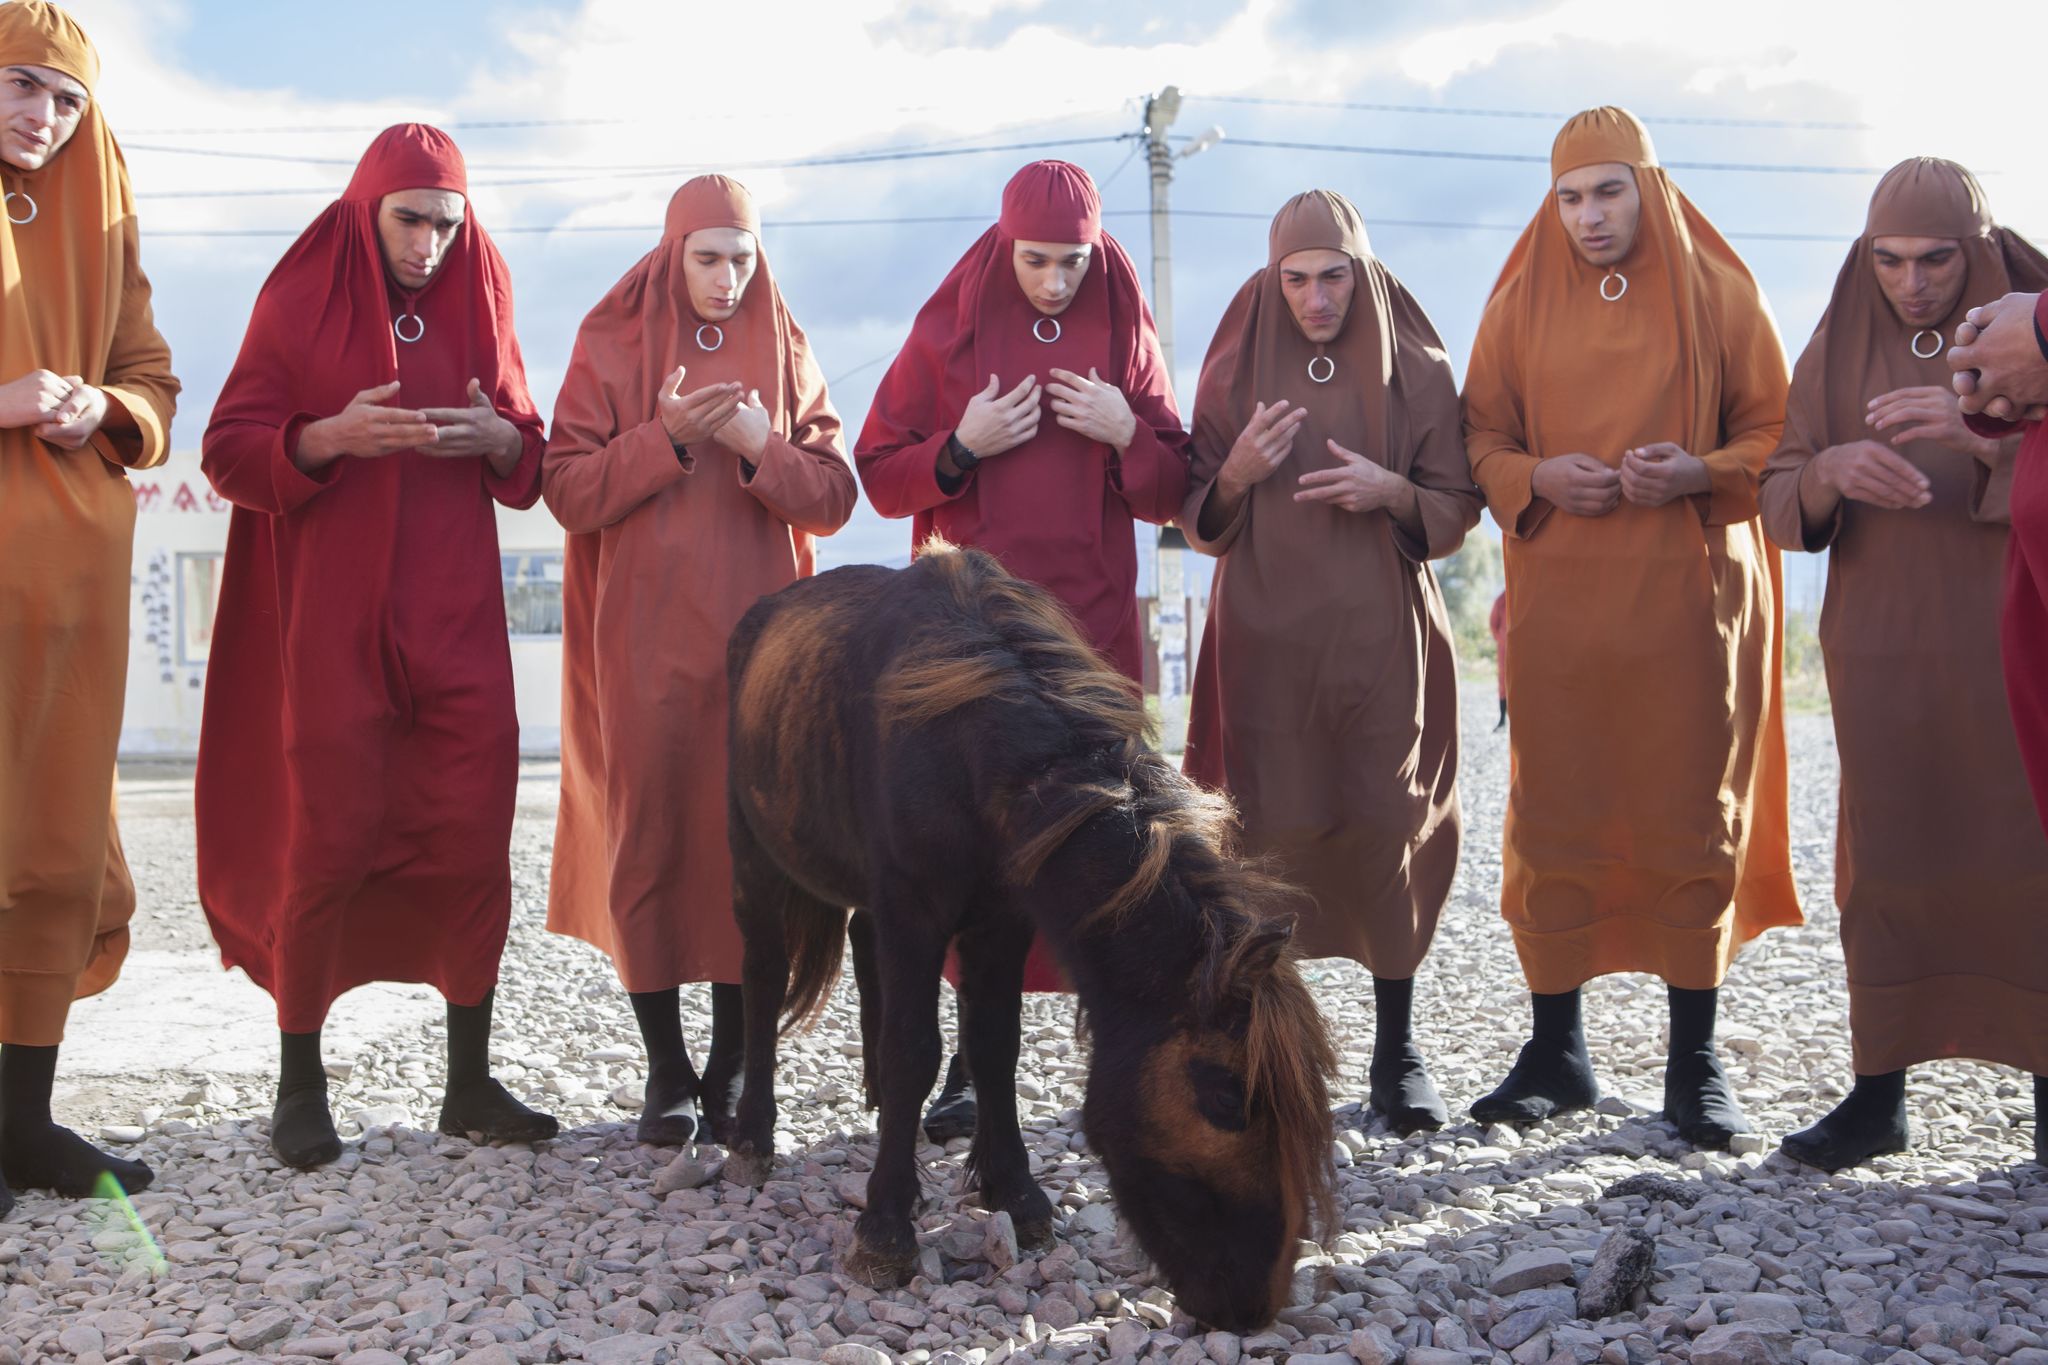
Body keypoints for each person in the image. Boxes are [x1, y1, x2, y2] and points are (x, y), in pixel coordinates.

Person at [198, 124, 557, 1170]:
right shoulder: (298, 296)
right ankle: (299, 1082)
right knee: (326, 832)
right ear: (368, 209)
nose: (431, 245)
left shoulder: (479, 292)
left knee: (470, 823)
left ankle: (468, 1080)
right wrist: (324, 439)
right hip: (329, 619)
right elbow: (229, 449)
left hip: (453, 617)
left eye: (448, 224)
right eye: (411, 220)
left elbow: (527, 452)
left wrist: (501, 441)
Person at [1461, 107, 1799, 1149]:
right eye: (1567, 197)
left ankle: (1691, 1061)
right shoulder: (1517, 300)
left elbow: (1778, 435)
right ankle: (1553, 1049)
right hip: (1561, 608)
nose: (1587, 216)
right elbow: (1480, 432)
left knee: (1688, 813)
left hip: (1688, 609)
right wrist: (1535, 475)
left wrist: (1700, 471)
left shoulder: (1719, 291)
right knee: (1551, 813)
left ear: (1647, 188)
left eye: (1607, 191)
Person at [856, 160, 1191, 1140]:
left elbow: (1171, 490)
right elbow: (878, 475)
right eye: (1035, 262)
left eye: (1070, 264)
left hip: (1086, 632)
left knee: (1099, 835)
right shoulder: (948, 324)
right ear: (1005, 244)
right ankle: (966, 1063)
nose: (1052, 283)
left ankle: (1120, 1052)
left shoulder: (1124, 321)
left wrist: (1128, 429)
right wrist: (957, 448)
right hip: (969, 639)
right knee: (969, 838)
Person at [543, 176, 857, 1145]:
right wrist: (666, 438)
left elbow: (833, 498)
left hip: (762, 649)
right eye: (708, 258)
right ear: (673, 253)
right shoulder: (611, 339)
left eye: (743, 260)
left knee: (749, 851)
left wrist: (761, 442)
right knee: (650, 836)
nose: (727, 279)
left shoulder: (785, 341)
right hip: (637, 641)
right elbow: (566, 489)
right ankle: (666, 1070)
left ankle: (731, 1064)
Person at [1760, 157, 2048, 1172]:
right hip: (1879, 645)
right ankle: (1876, 1092)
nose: (1912, 283)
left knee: (2029, 851)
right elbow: (1778, 483)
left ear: (1979, 251)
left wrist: (1984, 445)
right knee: (1885, 856)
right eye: (1888, 261)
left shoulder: (2029, 327)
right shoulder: (1839, 335)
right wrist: (1831, 469)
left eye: (1936, 260)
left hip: (2015, 631)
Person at [1179, 190, 1480, 1135]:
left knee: (1387, 826)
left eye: (1333, 277)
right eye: (1297, 279)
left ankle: (1399, 1054)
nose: (1315, 298)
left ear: (1362, 269)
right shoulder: (1236, 354)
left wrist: (1391, 487)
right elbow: (1195, 511)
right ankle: (1265, 1052)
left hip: (1382, 640)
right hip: (1262, 645)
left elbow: (1457, 504)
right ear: (1274, 276)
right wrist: (1236, 475)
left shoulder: (1414, 357)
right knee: (1264, 834)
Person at [0, 0, 178, 1219]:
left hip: (71, 582)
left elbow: (152, 375)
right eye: (19, 86)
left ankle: (24, 1124)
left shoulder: (103, 209)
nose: (44, 117)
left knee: (55, 842)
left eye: (67, 100)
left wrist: (101, 409)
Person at [1488, 589, 1508, 730]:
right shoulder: (1501, 600)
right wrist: (1502, 640)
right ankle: (1502, 719)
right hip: (1505, 650)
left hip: (1524, 649)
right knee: (1503, 681)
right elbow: (1493, 625)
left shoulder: (1525, 593)